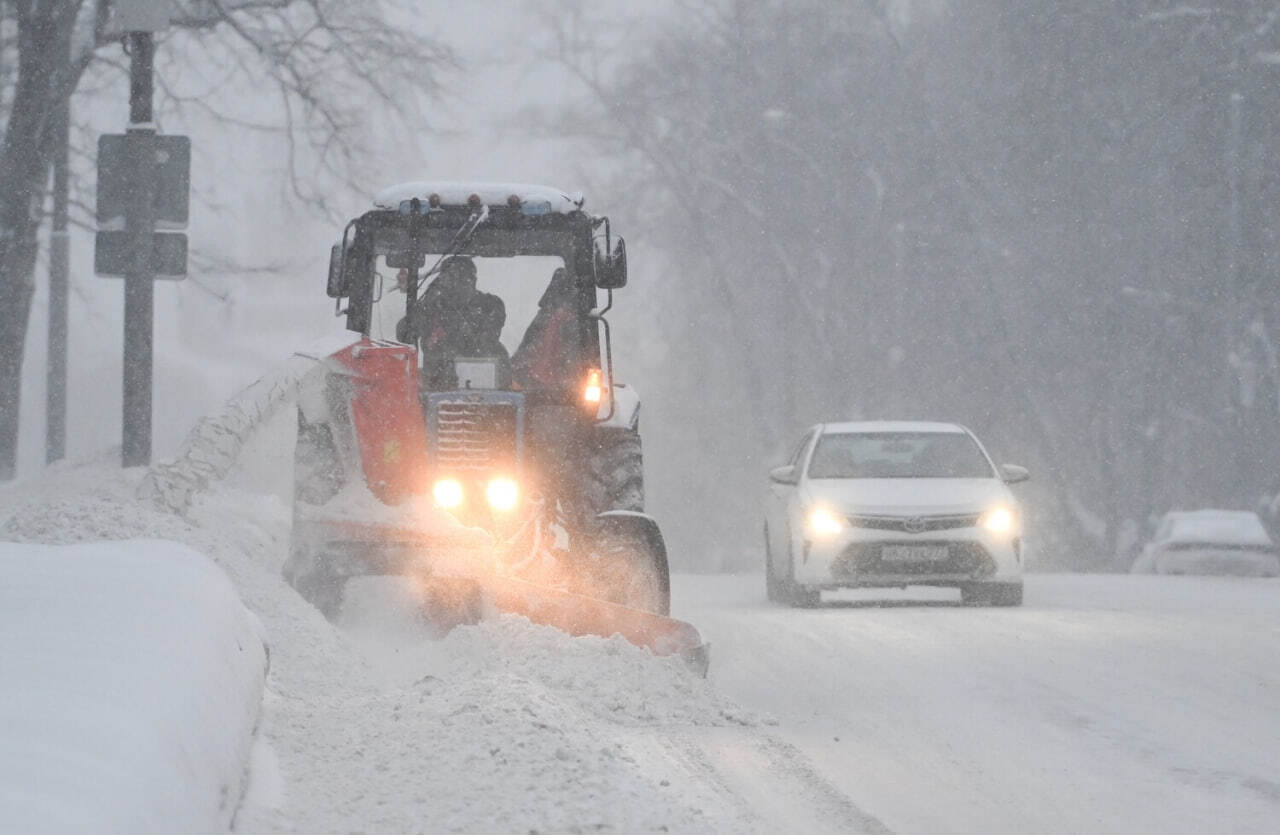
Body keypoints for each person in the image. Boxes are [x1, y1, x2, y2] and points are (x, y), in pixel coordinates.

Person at [403, 256, 508, 389]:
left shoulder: (490, 305)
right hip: (435, 384)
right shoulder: (432, 306)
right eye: (449, 280)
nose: (455, 286)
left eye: (461, 280)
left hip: (489, 382)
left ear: (473, 281)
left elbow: (484, 340)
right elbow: (404, 334)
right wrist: (427, 303)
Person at [512, 267, 579, 391]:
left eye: (565, 298)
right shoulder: (543, 318)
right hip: (534, 384)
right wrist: (513, 372)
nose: (561, 305)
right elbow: (527, 347)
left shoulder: (580, 326)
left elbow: (574, 358)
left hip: (566, 390)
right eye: (558, 296)